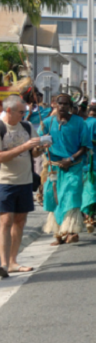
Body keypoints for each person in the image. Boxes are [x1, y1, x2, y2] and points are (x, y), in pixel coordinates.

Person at [0, 95, 47, 278]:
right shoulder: (1, 127)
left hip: (25, 180)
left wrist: (39, 147)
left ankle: (13, 262)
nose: (24, 115)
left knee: (20, 221)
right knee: (5, 221)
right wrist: (24, 146)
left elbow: (33, 153)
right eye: (21, 112)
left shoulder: (27, 127)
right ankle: (3, 263)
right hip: (4, 182)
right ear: (9, 110)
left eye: (26, 112)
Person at [40, 94, 91, 245]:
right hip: (54, 168)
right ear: (55, 104)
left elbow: (85, 146)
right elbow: (40, 144)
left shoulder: (79, 122)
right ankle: (58, 232)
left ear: (70, 106)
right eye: (60, 103)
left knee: (71, 195)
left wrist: (71, 159)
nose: (62, 106)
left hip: (73, 166)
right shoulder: (47, 123)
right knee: (54, 198)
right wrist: (43, 146)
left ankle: (71, 231)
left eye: (66, 104)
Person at [81, 105, 96, 232]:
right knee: (93, 190)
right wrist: (92, 142)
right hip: (94, 162)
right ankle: (90, 216)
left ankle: (89, 215)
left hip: (81, 162)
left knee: (87, 190)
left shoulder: (82, 123)